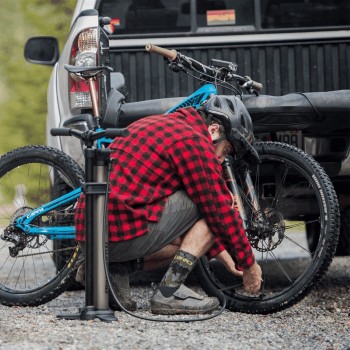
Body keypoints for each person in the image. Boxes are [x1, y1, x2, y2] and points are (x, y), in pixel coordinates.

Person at [75, 95, 262, 315]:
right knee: (222, 201)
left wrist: (223, 253)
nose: (222, 160)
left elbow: (193, 227)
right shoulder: (193, 143)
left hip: (92, 237)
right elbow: (218, 210)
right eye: (227, 151)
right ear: (214, 131)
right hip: (118, 231)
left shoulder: (163, 124)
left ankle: (108, 272)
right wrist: (248, 264)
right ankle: (168, 293)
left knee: (180, 241)